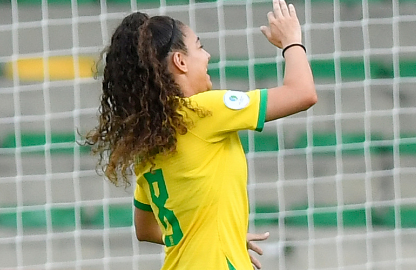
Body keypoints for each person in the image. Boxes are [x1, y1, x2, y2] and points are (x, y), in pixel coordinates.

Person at [83, 1, 316, 269]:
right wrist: (292, 42)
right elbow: (303, 93)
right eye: (199, 46)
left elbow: (144, 229)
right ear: (180, 61)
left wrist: (217, 236)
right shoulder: (203, 112)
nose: (207, 56)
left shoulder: (149, 143)